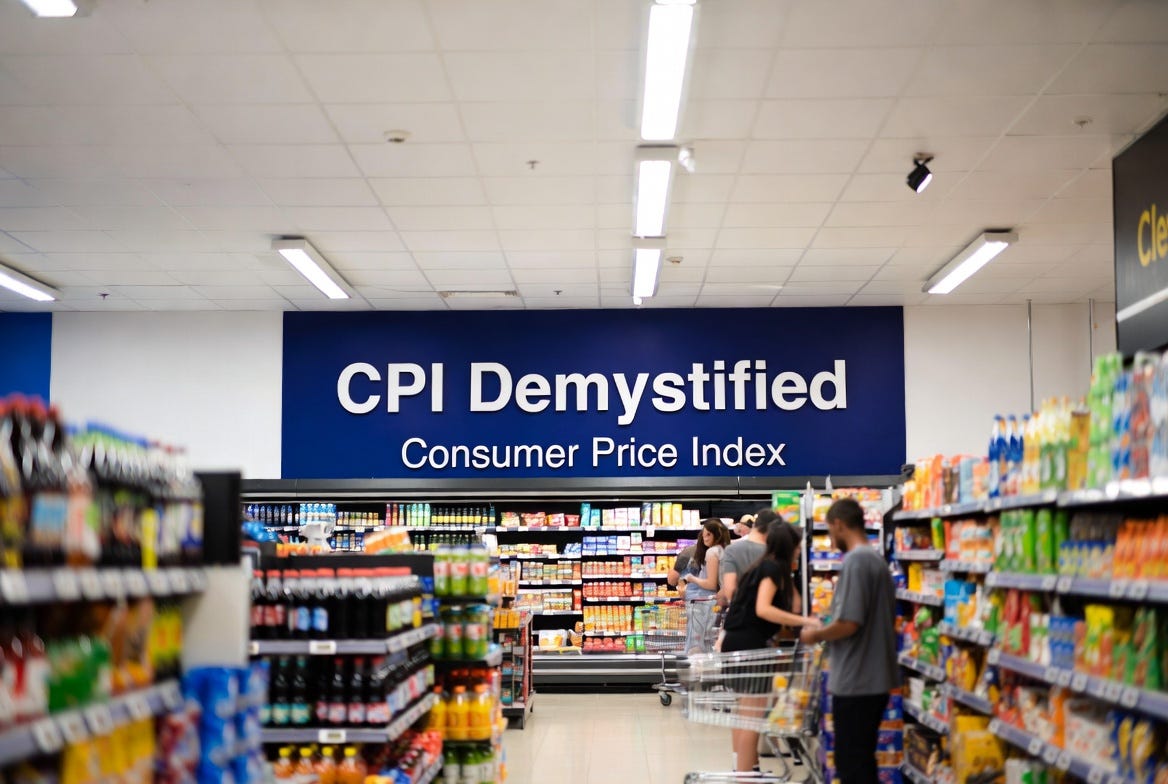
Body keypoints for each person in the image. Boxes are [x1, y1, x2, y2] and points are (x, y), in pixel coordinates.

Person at [801, 498, 899, 784]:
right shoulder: (875, 560)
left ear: (840, 525)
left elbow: (849, 624)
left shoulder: (857, 562)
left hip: (858, 679)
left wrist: (815, 634)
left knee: (851, 761)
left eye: (831, 531)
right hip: (873, 677)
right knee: (860, 758)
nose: (831, 540)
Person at [721, 523, 820, 773]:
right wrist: (807, 622)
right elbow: (764, 609)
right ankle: (745, 776)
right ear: (790, 546)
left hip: (736, 641)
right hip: (750, 644)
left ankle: (744, 768)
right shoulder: (772, 568)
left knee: (744, 712)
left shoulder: (764, 567)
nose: (800, 550)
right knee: (752, 717)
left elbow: (794, 603)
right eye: (798, 546)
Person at [679, 519, 729, 654]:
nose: (705, 538)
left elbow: (710, 584)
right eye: (703, 534)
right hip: (724, 599)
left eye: (708, 535)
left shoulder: (712, 552)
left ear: (716, 535)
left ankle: (698, 671)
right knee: (712, 640)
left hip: (708, 602)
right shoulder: (725, 549)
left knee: (699, 642)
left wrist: (691, 578)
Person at [718, 508, 778, 608]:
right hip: (770, 608)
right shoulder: (774, 551)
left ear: (754, 526)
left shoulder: (732, 549)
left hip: (741, 612)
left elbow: (730, 590)